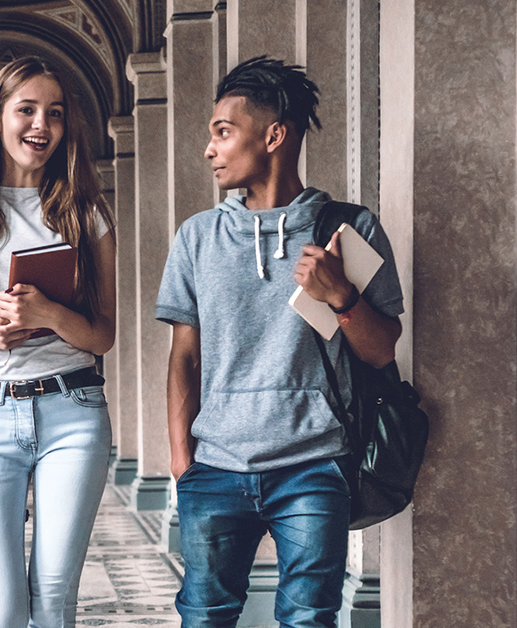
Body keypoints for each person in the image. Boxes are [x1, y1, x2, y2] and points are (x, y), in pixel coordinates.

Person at [157, 56, 405, 628]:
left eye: (223, 132)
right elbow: (184, 356)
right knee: (204, 616)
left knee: (309, 618)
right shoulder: (196, 237)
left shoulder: (350, 230)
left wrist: (340, 294)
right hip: (214, 466)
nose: (209, 149)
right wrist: (181, 463)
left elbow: (382, 349)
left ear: (273, 135)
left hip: (315, 465)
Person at [0, 57, 117, 628]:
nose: (42, 124)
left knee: (54, 602)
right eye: (27, 110)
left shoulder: (85, 212)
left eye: (54, 113)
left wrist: (49, 313)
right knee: (2, 610)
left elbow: (103, 335)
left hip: (73, 411)